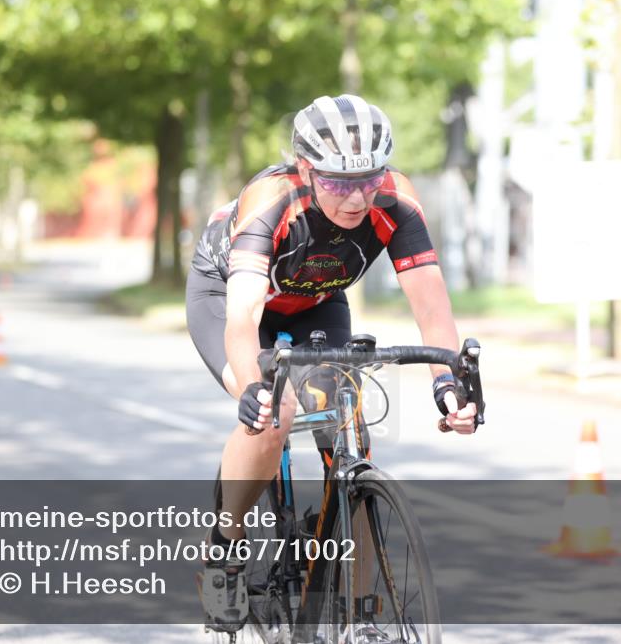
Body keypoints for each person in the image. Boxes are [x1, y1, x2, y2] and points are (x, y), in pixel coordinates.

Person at [186, 94, 477, 633]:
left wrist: (448, 383)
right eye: (340, 183)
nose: (357, 197)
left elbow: (433, 308)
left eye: (368, 179)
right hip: (229, 298)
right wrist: (252, 386)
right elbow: (243, 316)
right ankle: (224, 545)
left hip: (317, 300)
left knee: (347, 421)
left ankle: (360, 610)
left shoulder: (397, 202)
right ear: (305, 170)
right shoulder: (272, 200)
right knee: (275, 414)